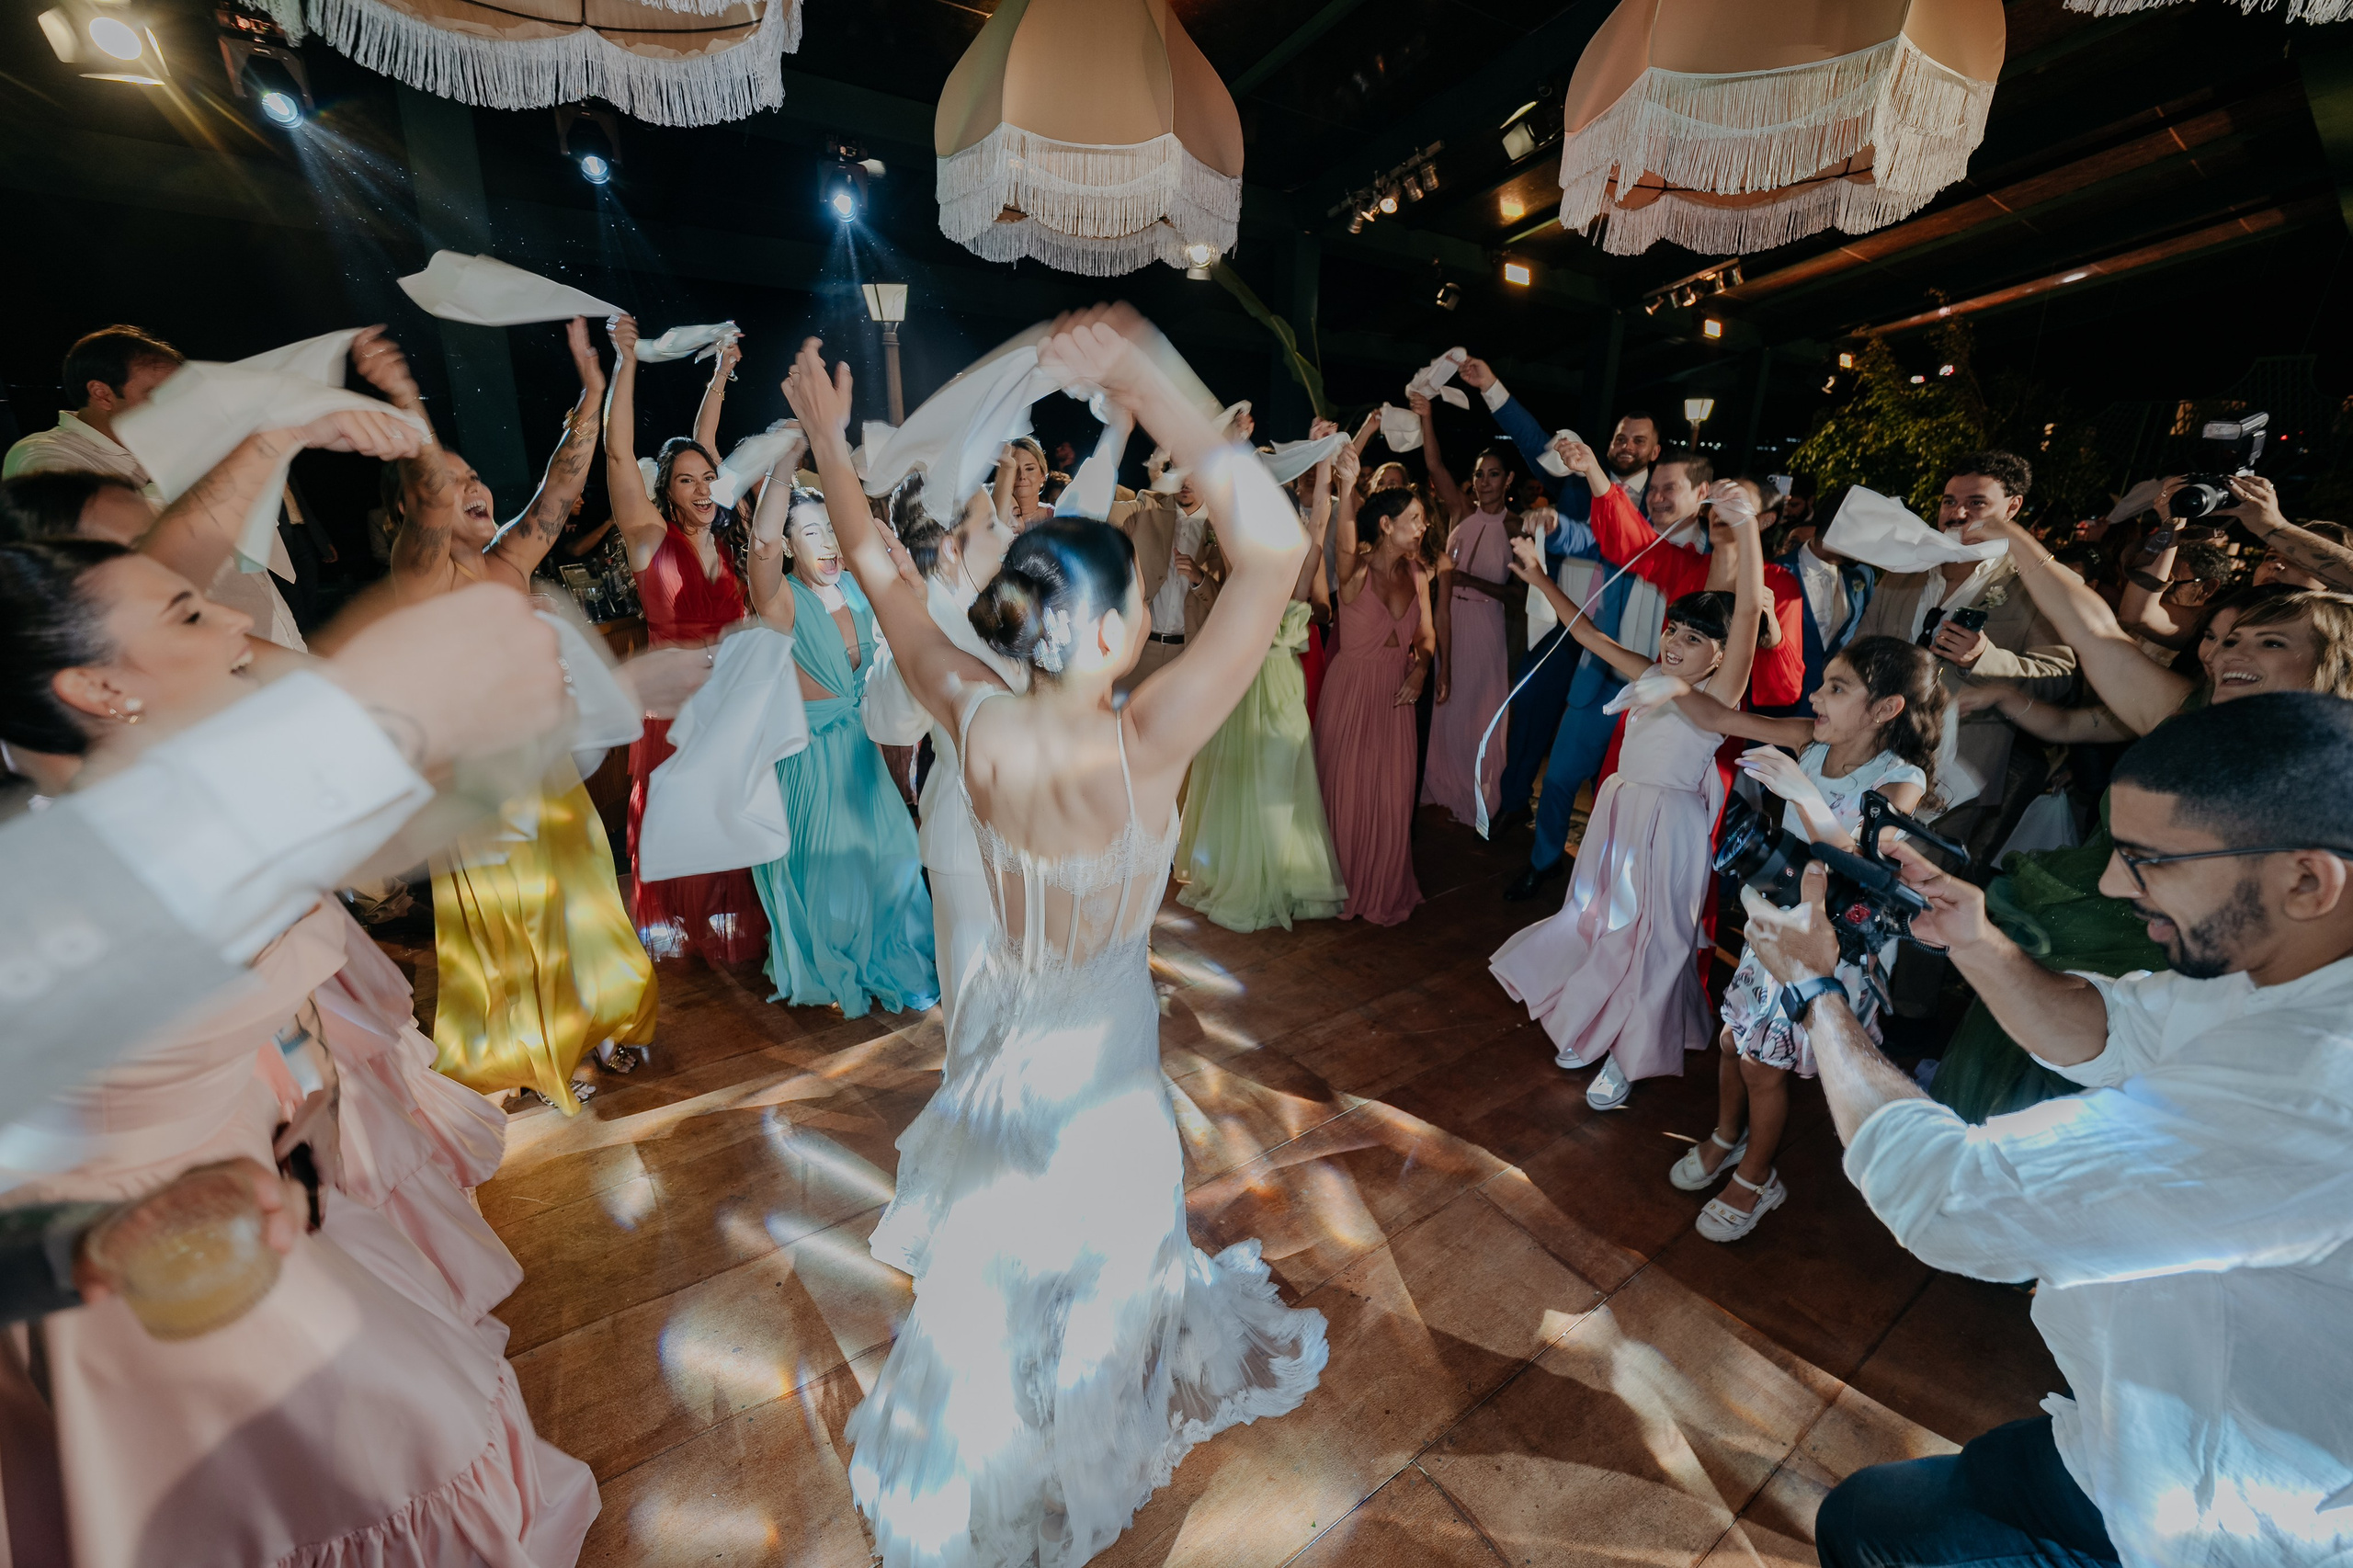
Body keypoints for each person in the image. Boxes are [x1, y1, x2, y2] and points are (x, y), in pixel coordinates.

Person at [778, 312, 1327, 1567]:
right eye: (1133, 601)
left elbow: (875, 565)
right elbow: (1276, 550)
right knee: (1111, 1244)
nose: (1148, 613)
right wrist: (1148, 377)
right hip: (1107, 1046)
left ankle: (1008, 1429)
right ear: (1095, 634)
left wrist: (823, 434)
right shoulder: (1149, 740)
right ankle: (1086, 1423)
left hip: (1012, 1042)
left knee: (1008, 1245)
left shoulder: (970, 714)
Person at [0, 538, 597, 1568]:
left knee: (411, 1436)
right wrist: (83, 1243)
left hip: (250, 1193)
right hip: (128, 1276)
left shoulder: (193, 801)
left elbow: (399, 829)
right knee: (381, 1452)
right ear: (97, 683)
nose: (237, 622)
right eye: (190, 614)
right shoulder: (55, 894)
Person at [1741, 693, 2353, 1568]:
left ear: (2307, 878)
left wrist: (1817, 997)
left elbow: (1947, 1196)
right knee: (1870, 1518)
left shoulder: (2317, 1089)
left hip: (2208, 1519)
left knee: (1874, 1533)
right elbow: (2117, 1031)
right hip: (2120, 1438)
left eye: (2148, 861)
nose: (2111, 884)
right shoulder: (2296, 966)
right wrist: (1978, 940)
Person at [1925, 498, 2353, 1123]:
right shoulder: (2187, 717)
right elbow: (2093, 629)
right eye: (2229, 637)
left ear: (2333, 663)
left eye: (2269, 641)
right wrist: (2016, 538)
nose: (2232, 651)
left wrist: (2275, 530)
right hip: (2075, 966)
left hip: (2203, 1001)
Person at [359, 322, 657, 1113]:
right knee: (511, 917)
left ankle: (596, 1022)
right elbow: (428, 498)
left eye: (476, 477)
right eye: (453, 485)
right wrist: (403, 403)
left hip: (544, 768)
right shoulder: (418, 575)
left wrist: (592, 397)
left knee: (581, 903)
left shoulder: (506, 564)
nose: (473, 489)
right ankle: (524, 1051)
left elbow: (560, 492)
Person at [1647, 636, 1944, 1241]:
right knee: (1733, 1043)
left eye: (1837, 688)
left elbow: (1858, 856)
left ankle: (1758, 1179)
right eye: (1823, 683)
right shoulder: (1811, 739)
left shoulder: (1899, 779)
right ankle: (1728, 1138)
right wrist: (1670, 687)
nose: (1817, 697)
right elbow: (1720, 716)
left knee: (1763, 1067)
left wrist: (1804, 794)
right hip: (1773, 930)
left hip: (1825, 947)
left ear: (1886, 709)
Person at [1491, 480, 1767, 1110]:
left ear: (1722, 656)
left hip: (1670, 825)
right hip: (1619, 812)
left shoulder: (1716, 696)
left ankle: (1629, 1054)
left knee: (1659, 939)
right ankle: (1600, 1024)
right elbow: (1586, 634)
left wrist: (1747, 528)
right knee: (1605, 924)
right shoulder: (1652, 673)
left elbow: (1747, 612)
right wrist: (1539, 579)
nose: (1674, 643)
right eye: (1674, 630)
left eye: (1693, 640)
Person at [599, 313, 768, 969]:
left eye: (708, 479)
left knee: (728, 812)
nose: (703, 489)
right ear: (665, 494)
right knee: (672, 812)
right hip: (670, 706)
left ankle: (725, 922)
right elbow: (618, 454)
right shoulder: (649, 540)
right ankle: (675, 923)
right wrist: (626, 364)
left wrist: (722, 374)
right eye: (687, 481)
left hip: (727, 698)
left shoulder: (730, 537)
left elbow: (706, 439)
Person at [744, 472, 937, 1018]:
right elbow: (758, 552)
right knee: (831, 875)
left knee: (894, 857)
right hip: (809, 759)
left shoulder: (860, 589)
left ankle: (883, 952)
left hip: (862, 750)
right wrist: (780, 473)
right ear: (787, 544)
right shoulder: (781, 600)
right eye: (810, 532)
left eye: (833, 530)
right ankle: (832, 960)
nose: (828, 543)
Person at [1847, 451, 2077, 863]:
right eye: (1949, 501)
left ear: (2013, 507)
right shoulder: (1905, 568)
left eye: (1976, 503)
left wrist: (1984, 658)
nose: (1957, 513)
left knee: (1916, 889)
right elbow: (1858, 651)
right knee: (1847, 863)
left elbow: (2059, 678)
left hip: (1957, 773)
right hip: (1871, 750)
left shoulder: (2034, 585)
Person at [1506, 440, 1711, 901]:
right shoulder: (1630, 535)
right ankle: (1544, 863)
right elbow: (1583, 537)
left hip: (1656, 703)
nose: (1655, 497)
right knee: (1557, 781)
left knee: (1617, 800)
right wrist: (1554, 524)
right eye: (1652, 488)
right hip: (1598, 677)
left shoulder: (1709, 564)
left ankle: (1602, 887)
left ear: (1702, 493)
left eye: (1668, 489)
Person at [861, 477, 1024, 1034]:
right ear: (952, 547)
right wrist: (909, 623)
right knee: (979, 1013)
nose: (1009, 533)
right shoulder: (920, 618)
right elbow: (890, 723)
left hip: (1035, 832)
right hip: (968, 836)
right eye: (991, 524)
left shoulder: (1003, 605)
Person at [1172, 425, 1348, 933]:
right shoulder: (1247, 563)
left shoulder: (1292, 566)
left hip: (1272, 685)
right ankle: (1254, 879)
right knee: (1254, 781)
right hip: (1252, 684)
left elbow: (1318, 524)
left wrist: (1322, 464)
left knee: (1277, 783)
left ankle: (1281, 879)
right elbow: (1297, 523)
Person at [1317, 480, 1437, 926]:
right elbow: (1344, 537)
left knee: (1393, 795)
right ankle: (1340, 887)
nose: (1423, 527)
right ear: (1386, 526)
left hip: (1397, 697)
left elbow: (1426, 634)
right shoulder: (1355, 572)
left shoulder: (1419, 574)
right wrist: (1346, 484)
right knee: (1345, 794)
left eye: (1423, 520)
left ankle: (1382, 887)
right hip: (1350, 696)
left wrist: (1422, 668)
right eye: (1414, 519)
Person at [1413, 392, 1517, 828]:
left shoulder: (1516, 527)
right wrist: (1426, 417)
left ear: (1509, 479)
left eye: (1493, 475)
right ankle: (1437, 783)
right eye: (1479, 475)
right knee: (1444, 706)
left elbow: (1522, 596)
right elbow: (1435, 468)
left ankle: (1473, 791)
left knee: (1477, 711)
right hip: (1446, 619)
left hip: (1487, 626)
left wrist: (1471, 581)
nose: (1484, 482)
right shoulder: (1460, 512)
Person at [2, 325, 182, 490]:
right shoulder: (40, 456)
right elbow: (107, 524)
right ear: (102, 395)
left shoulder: (160, 446)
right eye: (161, 394)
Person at [995, 434, 1054, 530]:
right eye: (1015, 469)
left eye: (1029, 469)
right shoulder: (990, 515)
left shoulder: (1057, 516)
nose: (1022, 476)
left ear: (1042, 476)